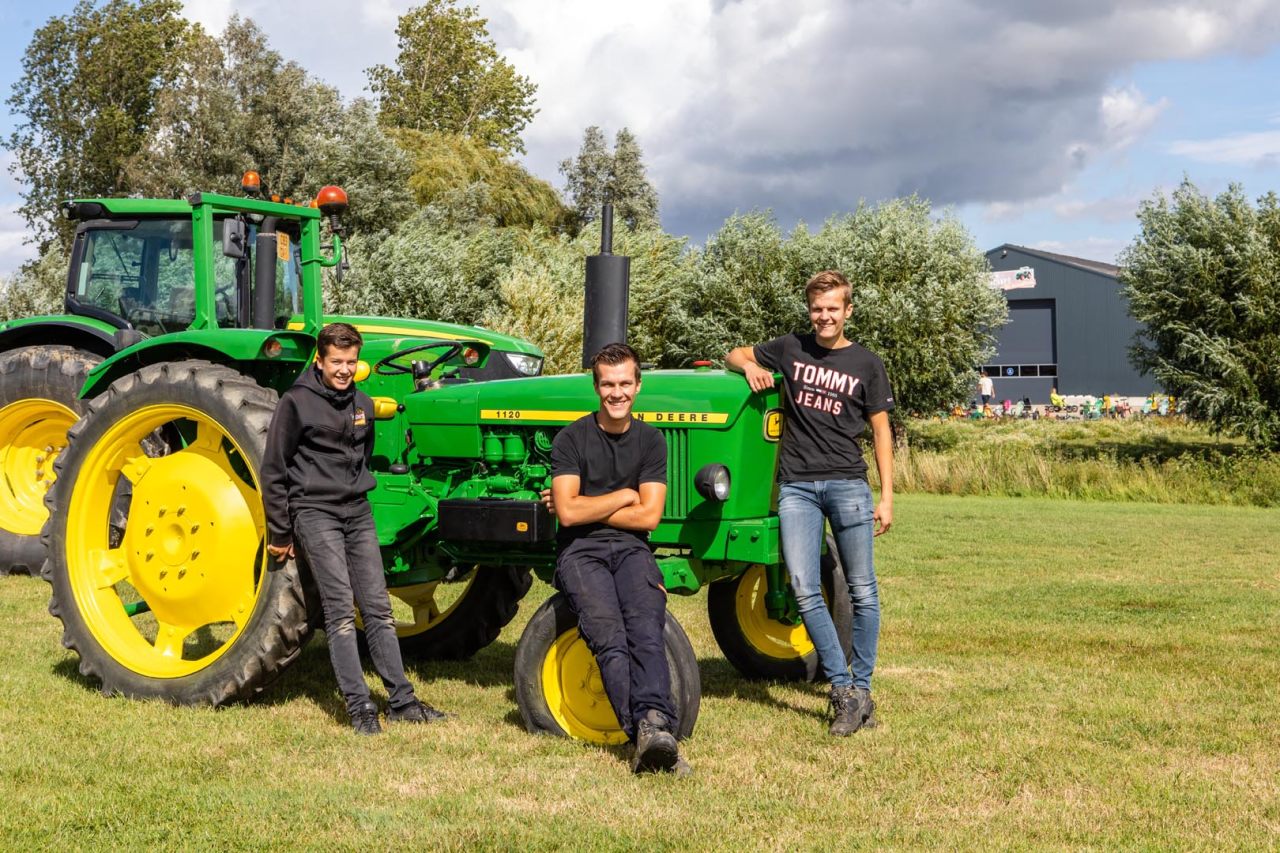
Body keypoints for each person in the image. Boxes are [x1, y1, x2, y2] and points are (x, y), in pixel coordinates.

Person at [726, 269, 895, 737]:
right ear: (810, 310)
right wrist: (751, 367)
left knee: (862, 590)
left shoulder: (867, 363)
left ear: (847, 311)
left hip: (848, 486)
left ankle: (860, 688)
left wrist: (887, 496)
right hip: (796, 487)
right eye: (818, 309)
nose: (824, 316)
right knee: (804, 588)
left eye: (833, 309)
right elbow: (734, 352)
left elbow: (882, 431)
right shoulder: (789, 347)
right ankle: (842, 688)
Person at [261, 322, 446, 735]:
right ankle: (360, 706)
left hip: (358, 512)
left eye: (351, 362)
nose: (344, 369)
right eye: (336, 362)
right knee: (342, 612)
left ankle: (402, 701)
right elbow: (274, 469)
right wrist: (280, 531)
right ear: (320, 360)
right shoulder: (296, 402)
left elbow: (361, 455)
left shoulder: (360, 402)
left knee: (379, 609)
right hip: (316, 512)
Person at [549, 342, 689, 775]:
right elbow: (569, 515)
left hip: (632, 549)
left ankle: (652, 727)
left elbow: (650, 516)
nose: (617, 392)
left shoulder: (650, 441)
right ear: (596, 387)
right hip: (580, 551)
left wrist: (593, 502)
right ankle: (648, 733)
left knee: (645, 625)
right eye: (608, 384)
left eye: (625, 383)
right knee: (608, 636)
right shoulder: (571, 438)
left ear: (638, 385)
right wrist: (625, 495)